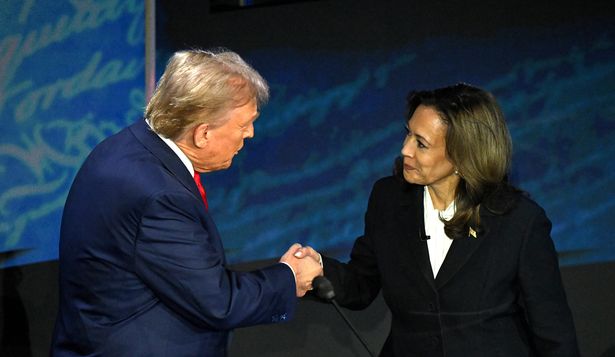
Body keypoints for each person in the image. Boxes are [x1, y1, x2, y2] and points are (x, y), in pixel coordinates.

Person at [51, 49, 322, 356]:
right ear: (202, 133)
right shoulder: (160, 196)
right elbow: (218, 303)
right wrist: (289, 277)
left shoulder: (126, 147)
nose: (250, 134)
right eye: (244, 124)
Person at [298, 83, 580, 356]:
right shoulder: (388, 199)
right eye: (408, 135)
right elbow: (362, 283)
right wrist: (319, 270)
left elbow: (553, 331)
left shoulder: (519, 221)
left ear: (462, 154)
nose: (405, 150)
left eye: (421, 143)